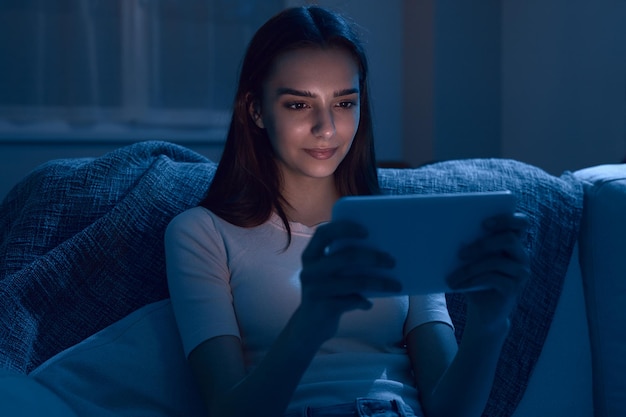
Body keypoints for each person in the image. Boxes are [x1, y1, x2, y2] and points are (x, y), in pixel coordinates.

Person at [164, 6, 530, 417]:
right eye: (299, 106)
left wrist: (489, 322)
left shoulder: (402, 225)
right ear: (255, 110)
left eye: (343, 103)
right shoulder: (202, 234)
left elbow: (451, 411)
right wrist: (313, 319)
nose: (326, 128)